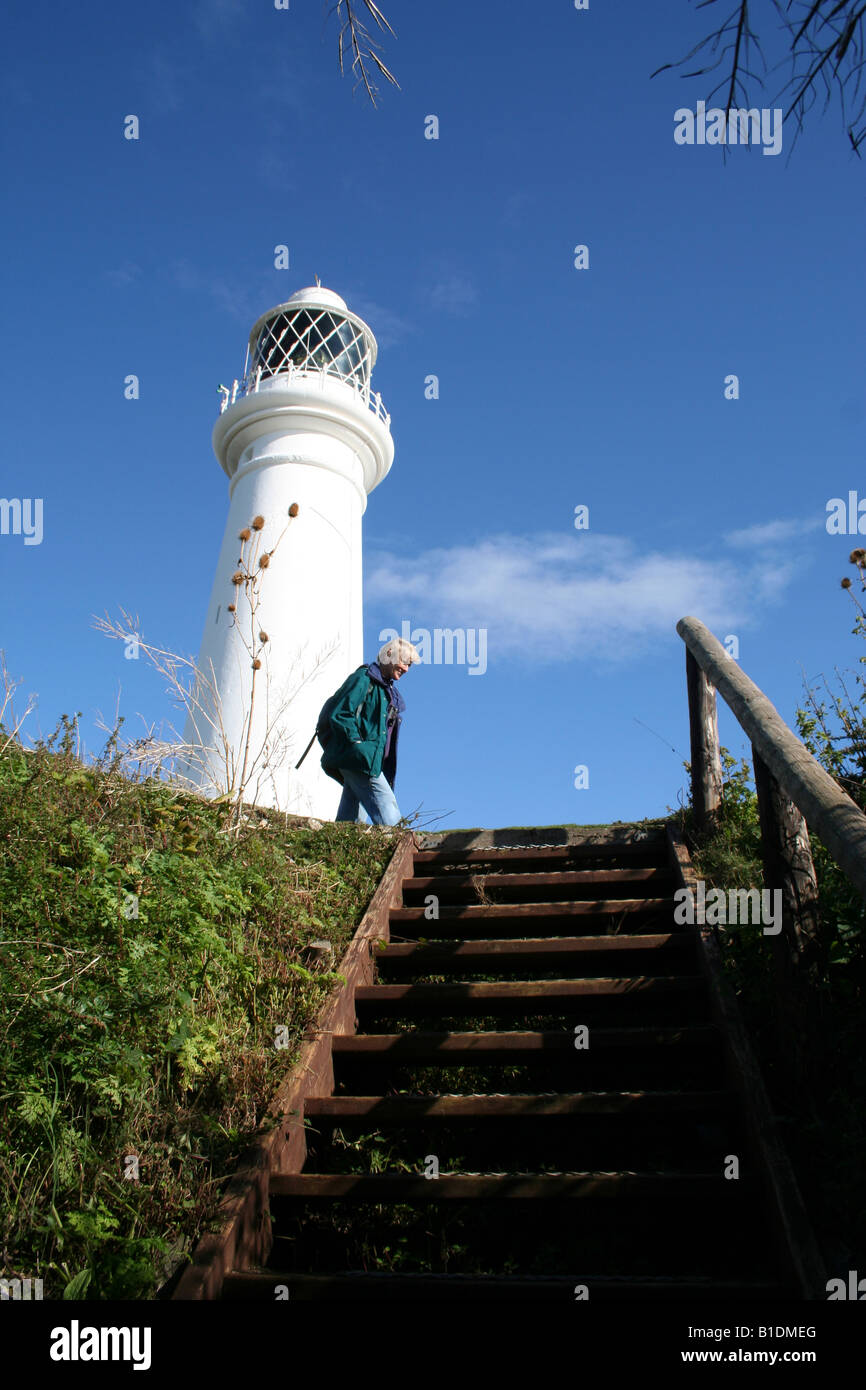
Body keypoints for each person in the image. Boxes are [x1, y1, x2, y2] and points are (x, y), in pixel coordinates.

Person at [320, 637, 420, 825]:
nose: (406, 668)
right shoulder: (363, 678)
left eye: (410, 665)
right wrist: (358, 745)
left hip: (366, 760)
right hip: (359, 759)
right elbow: (341, 713)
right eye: (405, 662)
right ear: (389, 654)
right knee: (390, 817)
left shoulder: (385, 690)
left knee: (350, 820)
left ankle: (337, 849)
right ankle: (396, 848)